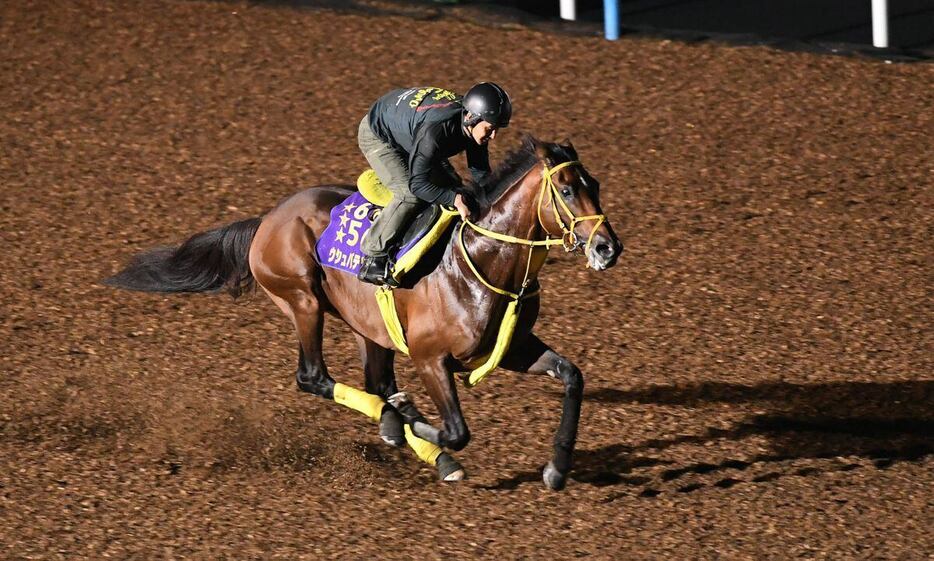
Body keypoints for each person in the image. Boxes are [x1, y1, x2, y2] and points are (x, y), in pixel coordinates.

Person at [356, 82, 512, 286]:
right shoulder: (436, 131)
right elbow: (417, 185)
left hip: (410, 131)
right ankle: (372, 256)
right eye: (490, 129)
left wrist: (497, 199)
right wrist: (454, 199)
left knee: (454, 185)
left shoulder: (471, 122)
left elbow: (479, 171)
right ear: (470, 118)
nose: (493, 136)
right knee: (409, 196)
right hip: (380, 136)